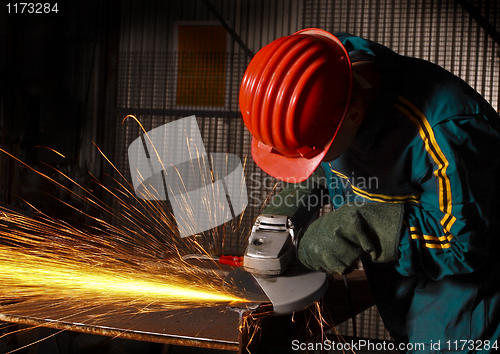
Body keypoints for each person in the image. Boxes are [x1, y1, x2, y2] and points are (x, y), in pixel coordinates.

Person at [239, 28, 500, 353]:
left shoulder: (447, 130)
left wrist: (362, 229)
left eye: (314, 152)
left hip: (463, 297)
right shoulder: (322, 76)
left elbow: (463, 243)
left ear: (354, 117)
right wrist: (292, 207)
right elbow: (321, 162)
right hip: (396, 282)